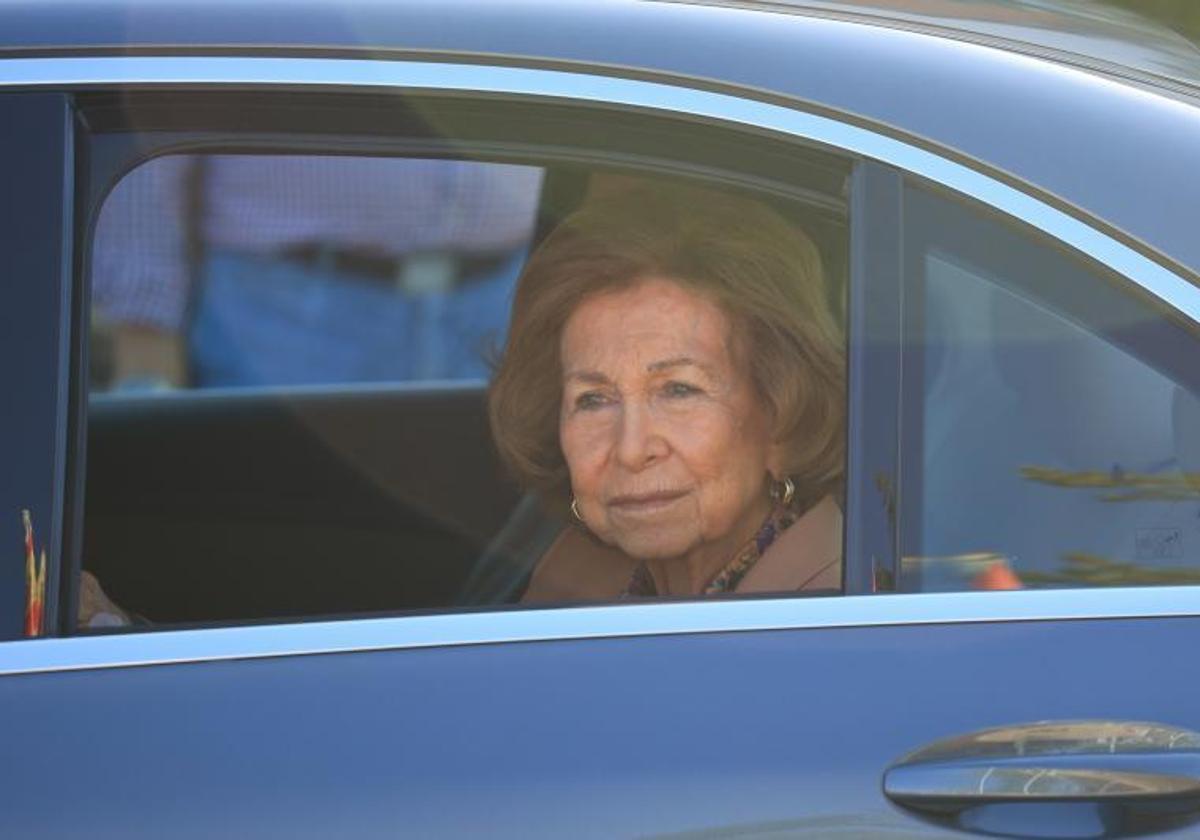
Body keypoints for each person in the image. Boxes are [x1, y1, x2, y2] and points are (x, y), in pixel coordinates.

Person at [487, 185, 846, 601]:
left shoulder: (828, 608)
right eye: (593, 399)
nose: (631, 450)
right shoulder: (576, 571)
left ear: (783, 418)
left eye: (678, 390)